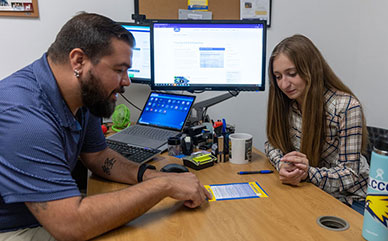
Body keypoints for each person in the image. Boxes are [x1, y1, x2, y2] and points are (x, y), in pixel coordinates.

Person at [0, 12, 211, 241]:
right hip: (15, 228)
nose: (126, 81)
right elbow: (71, 226)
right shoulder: (25, 119)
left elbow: (97, 155)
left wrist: (150, 176)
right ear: (78, 61)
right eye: (119, 70)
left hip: (53, 214)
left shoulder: (83, 96)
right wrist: (163, 186)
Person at [264, 34, 369, 215]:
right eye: (278, 76)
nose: (284, 84)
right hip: (313, 190)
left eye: (292, 74)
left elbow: (350, 174)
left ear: (311, 69)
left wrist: (307, 173)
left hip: (353, 199)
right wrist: (283, 164)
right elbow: (271, 144)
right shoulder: (288, 103)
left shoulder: (346, 107)